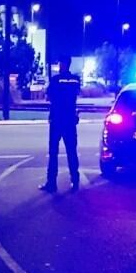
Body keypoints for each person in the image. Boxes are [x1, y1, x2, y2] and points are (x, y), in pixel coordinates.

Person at [41, 57, 81, 192]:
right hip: (70, 120)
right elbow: (76, 95)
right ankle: (75, 181)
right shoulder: (76, 80)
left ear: (62, 64)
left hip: (57, 119)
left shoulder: (55, 80)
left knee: (53, 153)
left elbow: (49, 97)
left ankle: (51, 183)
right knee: (71, 151)